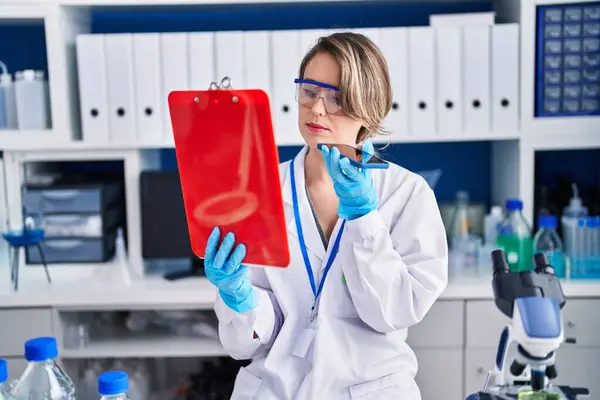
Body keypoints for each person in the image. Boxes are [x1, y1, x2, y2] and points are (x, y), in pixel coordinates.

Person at [204, 32, 448, 400]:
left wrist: (366, 222)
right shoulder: (259, 190)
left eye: (336, 99)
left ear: (369, 108)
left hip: (371, 390)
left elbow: (393, 313)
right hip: (275, 391)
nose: (317, 109)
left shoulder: (406, 194)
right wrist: (239, 296)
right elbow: (247, 345)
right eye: (310, 92)